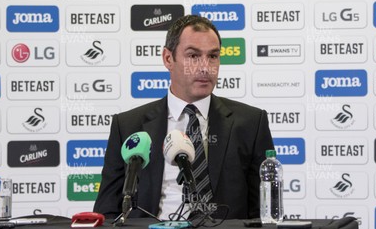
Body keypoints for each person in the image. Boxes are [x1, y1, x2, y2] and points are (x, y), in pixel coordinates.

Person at [93, 15, 274, 220]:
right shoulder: (128, 126)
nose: (205, 67)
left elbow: (264, 213)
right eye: (193, 56)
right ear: (168, 59)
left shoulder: (251, 123)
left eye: (213, 56)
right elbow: (106, 213)